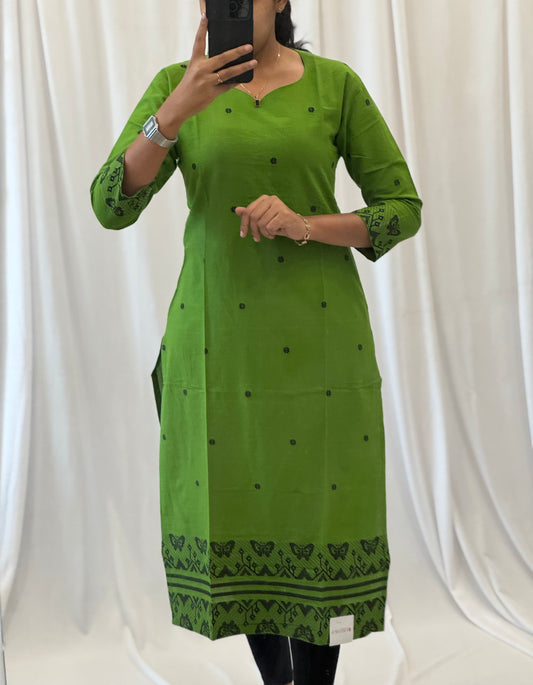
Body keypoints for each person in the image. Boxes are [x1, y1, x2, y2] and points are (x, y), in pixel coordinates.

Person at [90, 1, 422, 683]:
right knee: (240, 511)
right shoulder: (176, 86)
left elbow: (400, 209)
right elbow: (110, 204)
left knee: (319, 515)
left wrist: (307, 224)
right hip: (217, 344)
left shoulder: (334, 85)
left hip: (319, 344)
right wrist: (173, 113)